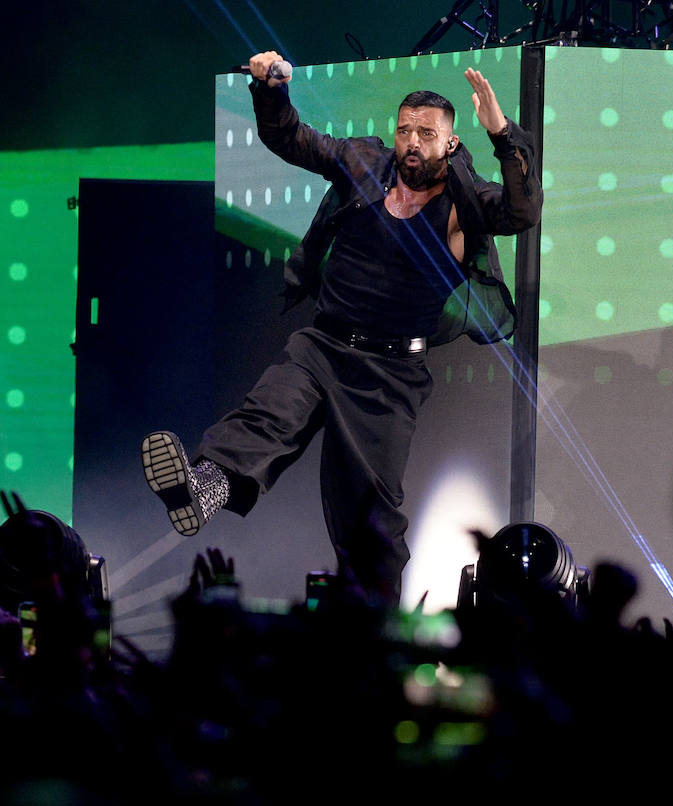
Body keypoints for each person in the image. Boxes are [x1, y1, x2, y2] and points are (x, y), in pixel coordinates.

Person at [142, 50, 542, 605]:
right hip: (324, 344)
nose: (412, 141)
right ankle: (200, 492)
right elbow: (292, 139)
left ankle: (373, 627)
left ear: (450, 144)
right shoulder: (362, 162)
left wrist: (502, 134)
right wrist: (271, 90)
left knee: (369, 518)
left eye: (427, 133)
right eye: (405, 129)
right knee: (266, 417)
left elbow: (522, 214)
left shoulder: (465, 200)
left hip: (390, 374)